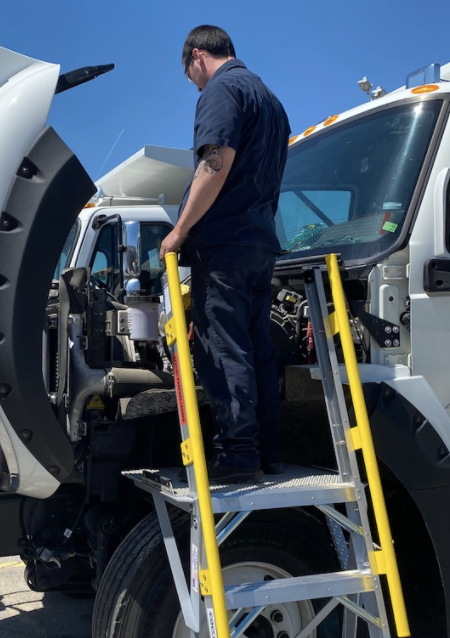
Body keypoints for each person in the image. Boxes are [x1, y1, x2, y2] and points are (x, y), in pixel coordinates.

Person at [160, 25, 290, 484]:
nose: (194, 83)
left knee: (223, 349)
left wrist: (179, 230)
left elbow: (215, 162)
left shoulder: (222, 90)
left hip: (225, 245)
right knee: (257, 350)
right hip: (260, 242)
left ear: (197, 56)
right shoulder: (270, 100)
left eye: (190, 74)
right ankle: (266, 451)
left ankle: (236, 455)